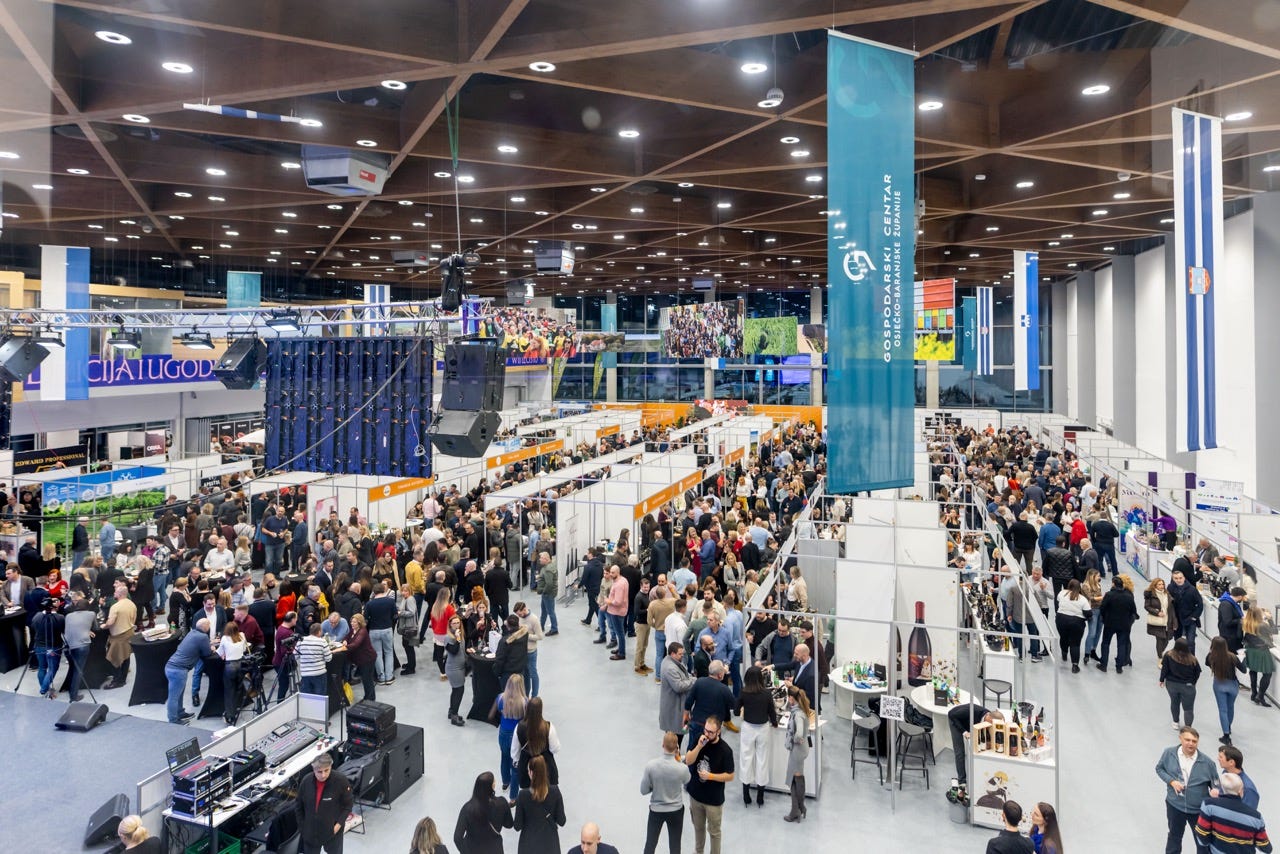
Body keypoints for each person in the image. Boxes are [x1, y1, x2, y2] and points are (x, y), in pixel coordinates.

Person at [1157, 725, 1219, 854]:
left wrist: (1216, 791)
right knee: (1174, 837)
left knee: (1202, 842)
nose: (1191, 743)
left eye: (1194, 741)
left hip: (1198, 811)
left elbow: (1216, 784)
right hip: (1174, 806)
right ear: (1180, 738)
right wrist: (1171, 781)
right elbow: (1160, 769)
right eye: (1187, 740)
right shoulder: (1169, 753)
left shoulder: (1207, 763)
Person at [683, 715, 734, 854]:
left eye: (711, 732)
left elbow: (730, 776)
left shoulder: (725, 750)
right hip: (696, 795)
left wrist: (711, 776)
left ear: (718, 731)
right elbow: (688, 760)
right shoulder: (699, 739)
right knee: (698, 828)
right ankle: (698, 851)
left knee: (714, 832)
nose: (707, 734)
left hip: (713, 801)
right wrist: (699, 747)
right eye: (705, 730)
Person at [1195, 772, 1272, 853]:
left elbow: (1202, 835)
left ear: (1222, 789)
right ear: (1240, 791)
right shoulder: (1256, 817)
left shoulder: (1208, 805)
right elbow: (1266, 848)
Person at [641, 731, 690, 854]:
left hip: (656, 810)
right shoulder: (682, 768)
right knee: (675, 845)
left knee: (650, 844)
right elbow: (687, 780)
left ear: (663, 745)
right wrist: (679, 760)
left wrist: (655, 786)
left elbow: (643, 790)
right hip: (676, 810)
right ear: (677, 747)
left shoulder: (651, 766)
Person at [736, 665, 778, 807]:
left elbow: (736, 711)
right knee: (762, 759)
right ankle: (760, 796)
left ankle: (746, 794)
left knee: (746, 758)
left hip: (748, 728)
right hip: (763, 728)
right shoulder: (766, 693)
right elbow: (772, 712)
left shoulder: (743, 692)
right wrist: (775, 723)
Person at [296, 752, 353, 854]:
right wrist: (303, 827)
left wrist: (338, 825)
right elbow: (298, 805)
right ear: (313, 770)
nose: (323, 775)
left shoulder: (341, 781)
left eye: (326, 770)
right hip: (310, 832)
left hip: (333, 832)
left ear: (331, 767)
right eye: (319, 772)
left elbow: (348, 805)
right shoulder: (306, 781)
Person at [513, 754, 565, 854]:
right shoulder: (555, 791)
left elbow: (517, 826)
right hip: (550, 845)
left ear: (531, 773)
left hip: (528, 845)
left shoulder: (523, 795)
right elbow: (562, 821)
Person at [453, 772, 512, 854]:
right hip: (494, 849)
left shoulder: (468, 808)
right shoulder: (502, 803)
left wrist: (465, 851)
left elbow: (457, 838)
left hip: (473, 849)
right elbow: (509, 824)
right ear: (492, 786)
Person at [1206, 635, 1247, 745]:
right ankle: (1228, 726)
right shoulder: (1232, 657)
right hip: (1233, 685)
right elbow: (1243, 670)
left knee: (1222, 710)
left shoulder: (1211, 657)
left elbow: (1208, 664)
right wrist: (1244, 658)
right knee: (1230, 707)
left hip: (1219, 685)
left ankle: (1226, 735)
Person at [513, 696, 561, 789]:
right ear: (541, 710)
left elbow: (514, 752)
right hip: (545, 765)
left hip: (526, 766)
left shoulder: (519, 727)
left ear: (527, 708)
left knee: (528, 792)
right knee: (547, 789)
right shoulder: (548, 726)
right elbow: (555, 749)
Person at [1096, 574, 1138, 674]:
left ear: (1114, 584)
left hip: (1110, 623)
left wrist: (1105, 618)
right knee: (1121, 645)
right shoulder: (1129, 596)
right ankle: (1119, 667)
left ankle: (1103, 665)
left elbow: (1102, 608)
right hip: (1124, 625)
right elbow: (1133, 610)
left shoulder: (1109, 595)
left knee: (1105, 643)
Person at [781, 686, 811, 823]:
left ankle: (796, 810)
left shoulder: (798, 714)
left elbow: (799, 734)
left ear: (791, 698)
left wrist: (795, 739)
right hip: (801, 750)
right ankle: (799, 808)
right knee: (796, 778)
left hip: (797, 751)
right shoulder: (800, 709)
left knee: (795, 779)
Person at [497, 673, 528, 803]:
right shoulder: (525, 702)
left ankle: (505, 782)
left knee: (504, 758)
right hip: (516, 736)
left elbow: (499, 711)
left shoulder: (500, 698)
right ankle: (513, 798)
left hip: (503, 734)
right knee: (515, 765)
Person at [1161, 637, 1202, 729]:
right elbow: (1197, 672)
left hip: (1171, 684)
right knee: (1188, 708)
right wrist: (1193, 682)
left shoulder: (1168, 655)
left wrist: (1161, 679)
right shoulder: (1192, 659)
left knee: (1174, 702)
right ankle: (1188, 727)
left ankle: (1175, 722)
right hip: (1188, 686)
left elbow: (1164, 669)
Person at [102, 581, 137, 689]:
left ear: (120, 594)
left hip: (118, 636)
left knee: (113, 658)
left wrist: (104, 625)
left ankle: (117, 680)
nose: (114, 593)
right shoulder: (132, 604)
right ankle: (122, 679)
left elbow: (110, 622)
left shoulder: (115, 607)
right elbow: (134, 619)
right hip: (129, 632)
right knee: (126, 657)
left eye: (115, 592)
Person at [364, 581, 398, 685]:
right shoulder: (390, 601)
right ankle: (389, 677)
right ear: (384, 590)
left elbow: (365, 619)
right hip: (387, 629)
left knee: (377, 653)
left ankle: (381, 677)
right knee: (388, 652)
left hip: (374, 630)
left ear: (374, 592)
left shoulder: (369, 604)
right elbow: (395, 615)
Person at [30, 597, 65, 699]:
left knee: (42, 667)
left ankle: (46, 690)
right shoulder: (60, 617)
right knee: (52, 668)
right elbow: (63, 630)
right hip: (54, 647)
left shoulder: (37, 616)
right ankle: (44, 689)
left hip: (39, 646)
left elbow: (33, 627)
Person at [660, 641, 697, 733]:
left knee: (679, 731)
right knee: (675, 733)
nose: (682, 656)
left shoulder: (674, 662)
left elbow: (685, 675)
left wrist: (691, 678)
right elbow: (678, 686)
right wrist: (694, 681)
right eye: (680, 654)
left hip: (677, 703)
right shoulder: (670, 668)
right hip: (674, 706)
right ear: (673, 654)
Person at [217, 619, 249, 724]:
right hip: (241, 665)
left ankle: (230, 715)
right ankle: (237, 708)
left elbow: (220, 652)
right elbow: (244, 649)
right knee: (238, 689)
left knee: (229, 691)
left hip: (230, 667)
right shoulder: (242, 635)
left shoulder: (224, 639)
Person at [1055, 580, 1090, 672]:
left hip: (1061, 619)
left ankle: (1064, 654)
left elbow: (1058, 602)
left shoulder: (1062, 593)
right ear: (1079, 588)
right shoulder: (1083, 599)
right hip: (1076, 622)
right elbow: (1088, 613)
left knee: (1063, 637)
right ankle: (1075, 666)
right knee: (1075, 644)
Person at [1244, 606, 1275, 706]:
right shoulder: (1262, 625)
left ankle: (1254, 693)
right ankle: (1260, 696)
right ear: (1258, 615)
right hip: (1261, 651)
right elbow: (1275, 631)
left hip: (1250, 650)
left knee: (1253, 670)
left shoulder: (1246, 622)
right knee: (1267, 673)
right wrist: (1270, 619)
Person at [1169, 568, 1204, 655]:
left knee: (1190, 642)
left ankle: (1191, 660)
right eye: (1176, 578)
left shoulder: (1192, 590)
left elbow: (1200, 604)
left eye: (1180, 578)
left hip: (1190, 619)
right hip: (1177, 620)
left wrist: (1194, 617)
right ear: (1173, 579)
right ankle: (1178, 659)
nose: (1178, 580)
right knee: (1177, 641)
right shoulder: (1170, 588)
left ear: (1184, 578)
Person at [493, 613, 529, 691]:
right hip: (521, 672)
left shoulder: (505, 641)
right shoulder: (524, 634)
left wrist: (496, 673)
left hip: (508, 675)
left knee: (508, 695)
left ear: (508, 625)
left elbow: (500, 660)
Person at [296, 622, 334, 697]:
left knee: (307, 698)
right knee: (320, 698)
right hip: (319, 674)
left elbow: (295, 656)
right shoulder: (322, 641)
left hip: (305, 674)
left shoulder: (301, 640)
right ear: (319, 631)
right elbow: (328, 658)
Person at [347, 613, 376, 701]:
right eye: (351, 622)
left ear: (359, 623)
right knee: (365, 679)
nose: (352, 624)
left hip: (368, 659)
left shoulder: (362, 632)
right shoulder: (353, 630)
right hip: (361, 659)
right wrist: (344, 641)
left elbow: (356, 644)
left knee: (367, 680)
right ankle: (368, 697)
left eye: (354, 622)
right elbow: (347, 637)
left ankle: (369, 698)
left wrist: (345, 647)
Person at [1146, 577, 1176, 660]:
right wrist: (1157, 612)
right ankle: (1160, 657)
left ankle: (1161, 653)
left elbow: (1172, 609)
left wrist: (1174, 622)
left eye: (1162, 584)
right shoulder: (1150, 595)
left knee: (1167, 639)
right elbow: (1147, 606)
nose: (1161, 586)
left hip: (1167, 620)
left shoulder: (1167, 594)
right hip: (1157, 621)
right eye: (1159, 584)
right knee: (1159, 639)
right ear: (1155, 585)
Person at [445, 614, 467, 726]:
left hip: (461, 666)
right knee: (459, 690)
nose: (456, 625)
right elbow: (453, 651)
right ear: (450, 625)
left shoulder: (460, 634)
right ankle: (454, 715)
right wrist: (457, 640)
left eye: (458, 623)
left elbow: (462, 650)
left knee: (455, 690)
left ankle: (451, 711)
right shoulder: (448, 637)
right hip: (454, 669)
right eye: (454, 623)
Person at [273, 611, 298, 703]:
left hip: (279, 661)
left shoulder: (281, 628)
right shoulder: (286, 632)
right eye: (296, 619)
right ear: (292, 619)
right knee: (284, 685)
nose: (296, 620)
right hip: (281, 663)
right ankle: (280, 704)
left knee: (284, 684)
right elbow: (285, 651)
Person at [397, 585, 421, 676]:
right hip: (406, 627)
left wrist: (400, 613)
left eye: (406, 591)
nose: (404, 593)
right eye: (402, 591)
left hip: (409, 627)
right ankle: (410, 664)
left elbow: (411, 612)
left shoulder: (410, 599)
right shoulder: (405, 598)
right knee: (406, 645)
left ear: (410, 591)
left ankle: (411, 668)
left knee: (409, 647)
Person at [534, 553, 559, 635]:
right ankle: (541, 626)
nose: (539, 559)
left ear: (546, 559)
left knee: (550, 612)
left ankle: (554, 629)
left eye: (541, 558)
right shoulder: (550, 566)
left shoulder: (548, 569)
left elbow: (549, 584)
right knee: (544, 611)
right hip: (548, 593)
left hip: (548, 594)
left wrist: (543, 591)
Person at [1218, 587, 1248, 653]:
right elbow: (1227, 622)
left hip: (1234, 636)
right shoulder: (1226, 605)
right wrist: (1240, 620)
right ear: (1239, 597)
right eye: (1243, 597)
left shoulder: (1234, 604)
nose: (1244, 599)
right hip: (1229, 638)